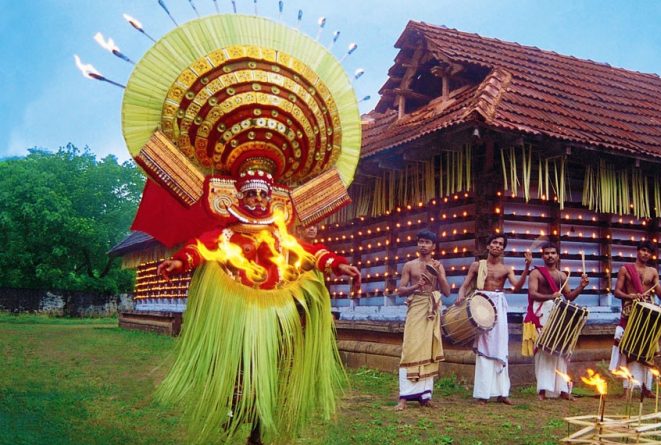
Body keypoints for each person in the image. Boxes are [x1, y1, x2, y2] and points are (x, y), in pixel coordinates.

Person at [156, 158, 360, 444]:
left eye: (263, 193)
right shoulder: (227, 232)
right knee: (238, 364)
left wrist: (338, 264)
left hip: (273, 310)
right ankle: (233, 406)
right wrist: (178, 262)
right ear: (239, 195)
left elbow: (309, 251)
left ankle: (258, 427)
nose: (258, 199)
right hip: (235, 309)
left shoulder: (279, 234)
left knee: (270, 366)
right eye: (251, 193)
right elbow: (199, 248)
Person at [457, 234, 531, 405]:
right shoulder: (477, 265)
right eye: (495, 243)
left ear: (503, 249)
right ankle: (483, 394)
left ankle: (502, 393)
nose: (497, 246)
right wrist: (460, 296)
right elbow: (466, 284)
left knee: (500, 345)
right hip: (481, 305)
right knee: (484, 346)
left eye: (501, 244)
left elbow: (517, 287)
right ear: (488, 246)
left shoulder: (506, 269)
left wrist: (527, 267)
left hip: (498, 305)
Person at [394, 229, 450, 410]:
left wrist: (438, 274)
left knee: (428, 349)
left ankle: (425, 396)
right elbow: (400, 290)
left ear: (433, 246)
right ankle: (404, 397)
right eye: (420, 242)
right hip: (416, 306)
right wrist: (415, 287)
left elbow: (447, 292)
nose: (423, 245)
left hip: (432, 307)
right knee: (410, 347)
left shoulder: (439, 265)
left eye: (427, 242)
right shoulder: (410, 265)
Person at [525, 242, 589, 400]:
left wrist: (581, 287)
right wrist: (550, 297)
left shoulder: (562, 276)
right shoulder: (536, 273)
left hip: (558, 315)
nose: (550, 256)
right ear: (542, 256)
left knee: (560, 351)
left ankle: (562, 390)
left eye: (553, 253)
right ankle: (542, 390)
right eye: (546, 253)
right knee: (543, 351)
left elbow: (569, 297)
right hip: (541, 314)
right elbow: (532, 294)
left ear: (557, 256)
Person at [610, 240, 661, 398]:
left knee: (647, 350)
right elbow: (616, 292)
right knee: (627, 350)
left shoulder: (653, 272)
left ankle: (647, 388)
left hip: (647, 316)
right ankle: (627, 389)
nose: (645, 253)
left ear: (651, 255)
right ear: (637, 251)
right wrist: (630, 295)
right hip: (630, 313)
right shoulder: (625, 269)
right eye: (643, 250)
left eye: (648, 252)